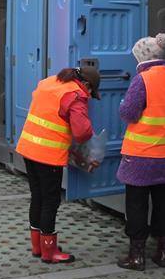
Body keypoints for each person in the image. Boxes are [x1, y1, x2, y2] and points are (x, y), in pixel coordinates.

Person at [115, 33, 165, 271]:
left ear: (141, 57)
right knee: (163, 202)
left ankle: (137, 255)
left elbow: (129, 113)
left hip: (141, 154)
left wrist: (121, 105)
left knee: (136, 204)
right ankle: (163, 251)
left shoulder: (142, 80)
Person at [14, 65, 101, 265]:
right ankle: (49, 251)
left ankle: (38, 246)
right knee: (50, 202)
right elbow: (81, 132)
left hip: (29, 148)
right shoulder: (75, 95)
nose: (88, 94)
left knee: (37, 197)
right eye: (90, 90)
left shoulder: (49, 83)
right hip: (48, 155)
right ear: (86, 84)